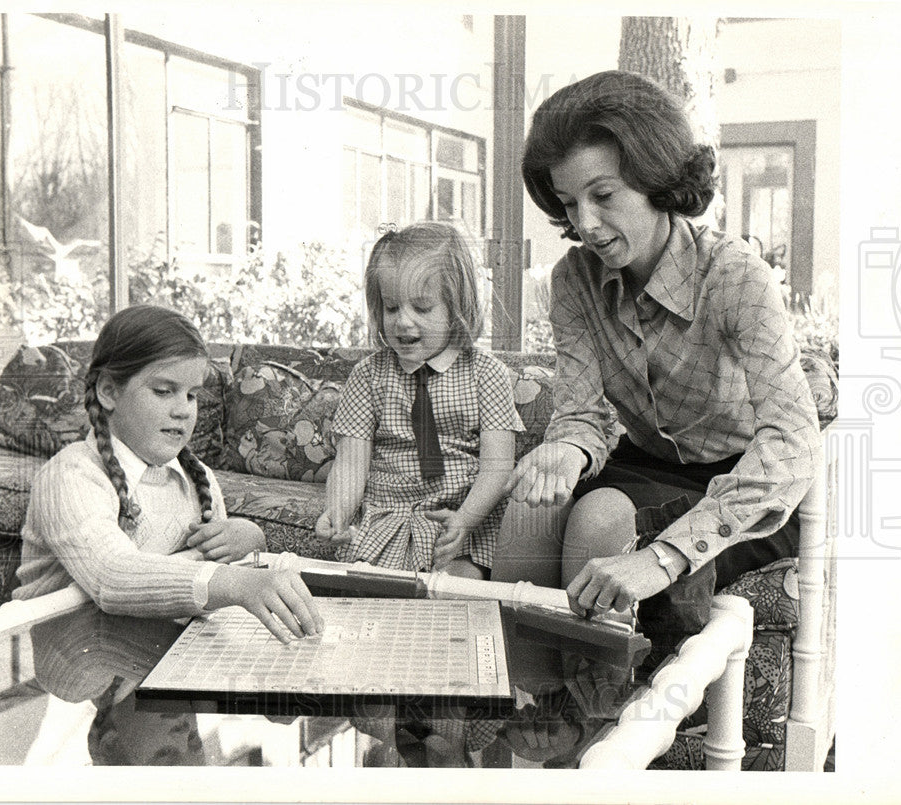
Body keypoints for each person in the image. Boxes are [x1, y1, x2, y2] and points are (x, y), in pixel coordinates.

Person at [492, 70, 820, 644]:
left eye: (603, 196)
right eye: (568, 203)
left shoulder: (736, 277)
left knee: (598, 521)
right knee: (529, 510)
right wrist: (568, 449)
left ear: (656, 179)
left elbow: (791, 443)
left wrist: (665, 556)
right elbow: (581, 409)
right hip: (646, 465)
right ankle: (530, 708)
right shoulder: (574, 280)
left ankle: (605, 713)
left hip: (739, 479)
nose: (584, 226)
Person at [14, 304, 323, 643]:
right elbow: (111, 575)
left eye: (191, 395)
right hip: (63, 664)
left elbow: (211, 585)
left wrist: (247, 538)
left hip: (143, 652)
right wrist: (232, 581)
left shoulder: (196, 477)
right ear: (108, 391)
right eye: (163, 391)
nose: (182, 410)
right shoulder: (68, 476)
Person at [316, 222, 524, 580]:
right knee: (359, 595)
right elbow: (351, 462)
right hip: (387, 519)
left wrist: (465, 520)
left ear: (456, 308)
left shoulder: (486, 373)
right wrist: (337, 513)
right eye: (392, 307)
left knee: (457, 594)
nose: (403, 321)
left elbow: (498, 466)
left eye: (422, 308)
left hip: (459, 520)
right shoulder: (369, 375)